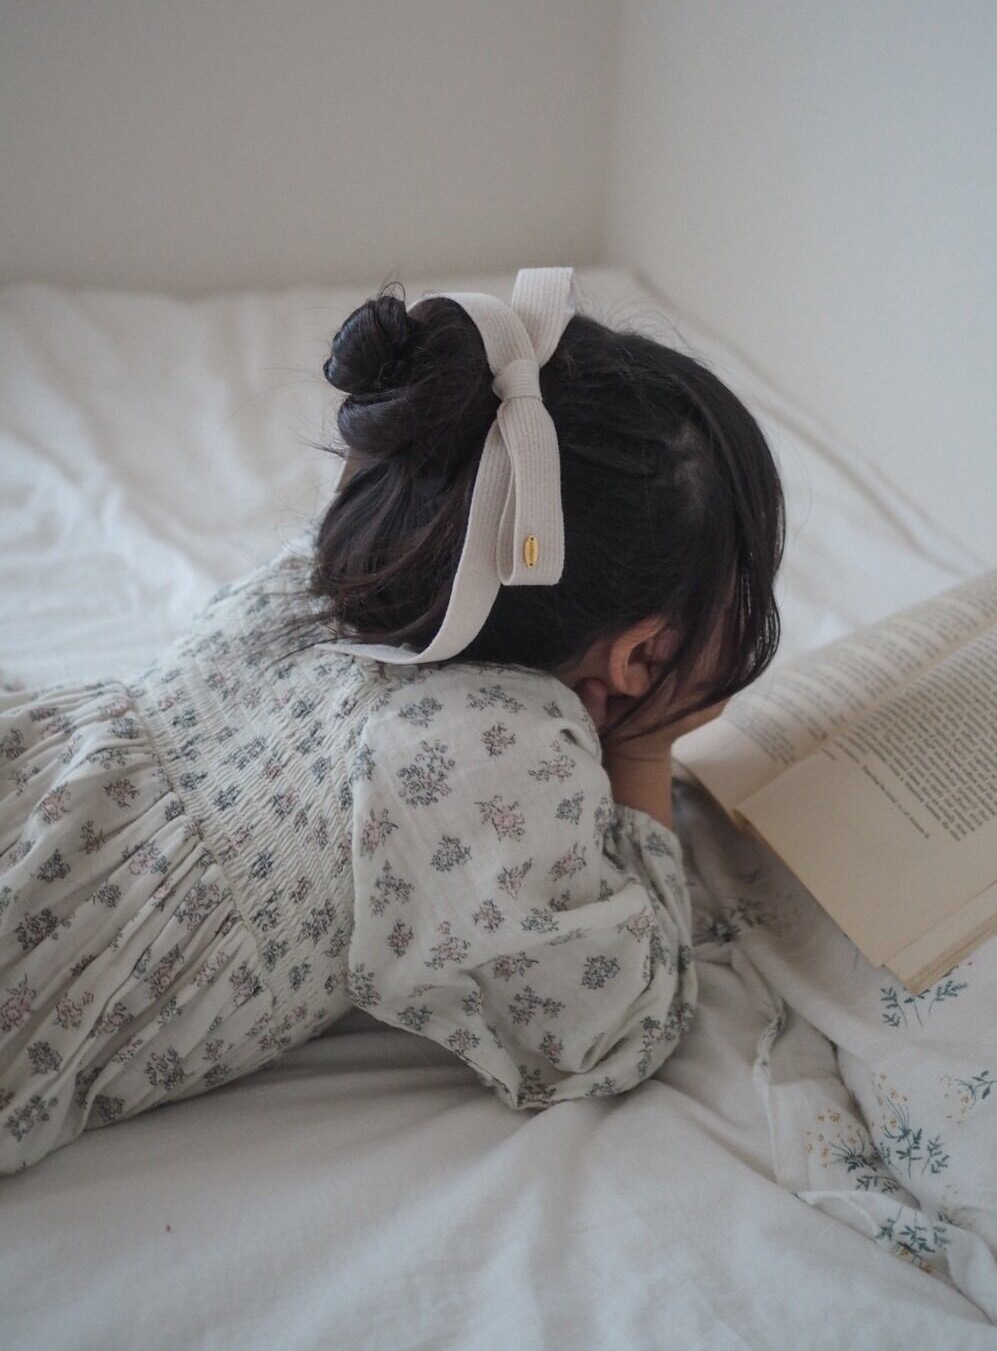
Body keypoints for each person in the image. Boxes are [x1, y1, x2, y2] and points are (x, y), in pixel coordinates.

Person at [0, 267, 786, 1173]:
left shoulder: (349, 569)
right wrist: (643, 747)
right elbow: (616, 1022)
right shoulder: (491, 754)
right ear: (639, 657)